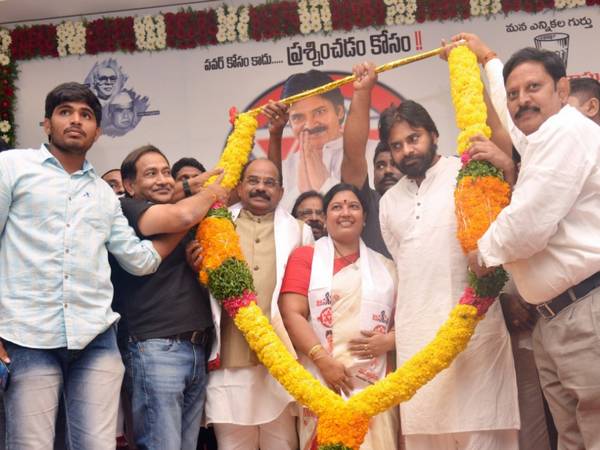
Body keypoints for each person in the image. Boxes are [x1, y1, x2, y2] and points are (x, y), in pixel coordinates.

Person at [0, 82, 180, 450]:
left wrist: (185, 221)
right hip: (27, 335)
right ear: (47, 123)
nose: (76, 121)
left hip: (96, 338)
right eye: (65, 112)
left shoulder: (103, 194)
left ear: (97, 132)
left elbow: (140, 261)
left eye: (86, 115)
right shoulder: (11, 167)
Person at [455, 32, 600, 450]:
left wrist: (483, 252)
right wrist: (487, 58)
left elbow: (528, 225)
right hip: (556, 316)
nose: (521, 100)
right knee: (573, 438)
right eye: (514, 92)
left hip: (586, 312)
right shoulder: (541, 137)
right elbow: (511, 120)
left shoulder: (566, 132)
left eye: (534, 87)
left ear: (563, 90)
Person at [378, 99, 520, 450]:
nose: (407, 150)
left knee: (484, 432)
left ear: (434, 134)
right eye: (397, 145)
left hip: (476, 335)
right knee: (427, 432)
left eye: (414, 138)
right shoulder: (388, 202)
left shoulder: (467, 173)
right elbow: (408, 263)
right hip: (417, 338)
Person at [111, 145, 227, 450]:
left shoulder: (179, 214)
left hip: (195, 348)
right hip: (155, 348)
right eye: (151, 174)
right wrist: (210, 191)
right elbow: (184, 214)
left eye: (166, 172)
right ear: (130, 186)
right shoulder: (128, 210)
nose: (162, 179)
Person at [204, 158, 313, 450]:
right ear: (239, 187)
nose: (261, 188)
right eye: (253, 181)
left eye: (269, 183)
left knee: (282, 443)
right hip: (229, 358)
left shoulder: (300, 231)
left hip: (280, 359)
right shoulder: (217, 224)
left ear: (281, 191)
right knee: (232, 444)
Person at [280, 183, 399, 449]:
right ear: (325, 217)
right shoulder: (306, 258)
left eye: (353, 206)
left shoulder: (387, 268)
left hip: (375, 387)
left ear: (364, 217)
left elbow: (407, 322)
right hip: (322, 380)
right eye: (336, 207)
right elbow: (291, 314)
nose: (345, 212)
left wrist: (390, 341)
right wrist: (323, 362)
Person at [264, 70, 377, 211]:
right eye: (298, 117)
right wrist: (300, 192)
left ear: (339, 112)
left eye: (319, 112)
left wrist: (324, 184)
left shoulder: (374, 154)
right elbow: (272, 215)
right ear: (290, 123)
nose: (310, 125)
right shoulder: (286, 168)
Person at [342, 62, 403, 258]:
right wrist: (362, 92)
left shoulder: (427, 197)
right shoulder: (366, 204)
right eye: (380, 165)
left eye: (394, 164)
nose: (387, 171)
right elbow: (353, 155)